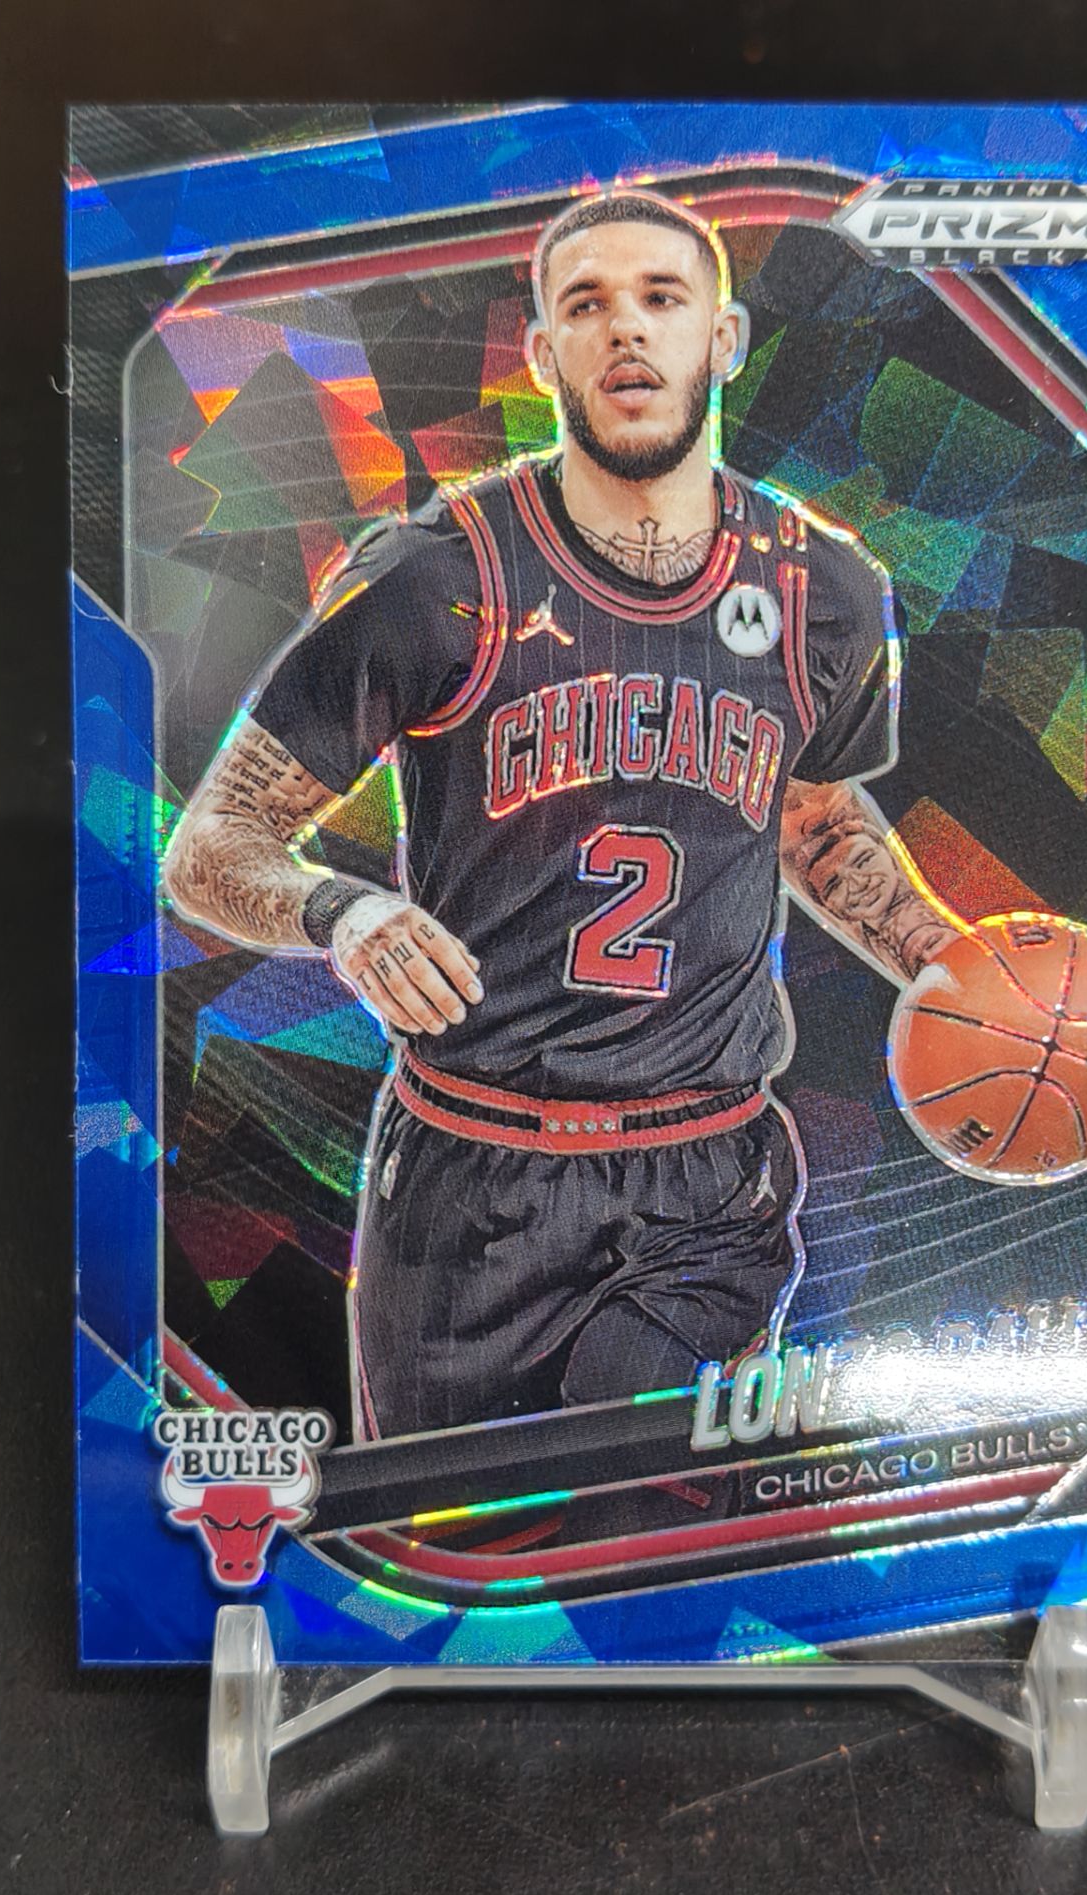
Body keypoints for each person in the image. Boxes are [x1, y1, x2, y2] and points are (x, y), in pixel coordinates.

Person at [163, 188, 955, 1449]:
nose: (626, 329)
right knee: (459, 1534)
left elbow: (811, 817)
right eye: (587, 306)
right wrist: (344, 911)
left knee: (637, 1497)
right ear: (543, 356)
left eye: (661, 298)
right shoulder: (436, 577)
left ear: (724, 339)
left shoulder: (827, 591)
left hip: (706, 1181)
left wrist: (949, 967)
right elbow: (212, 846)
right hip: (469, 1176)